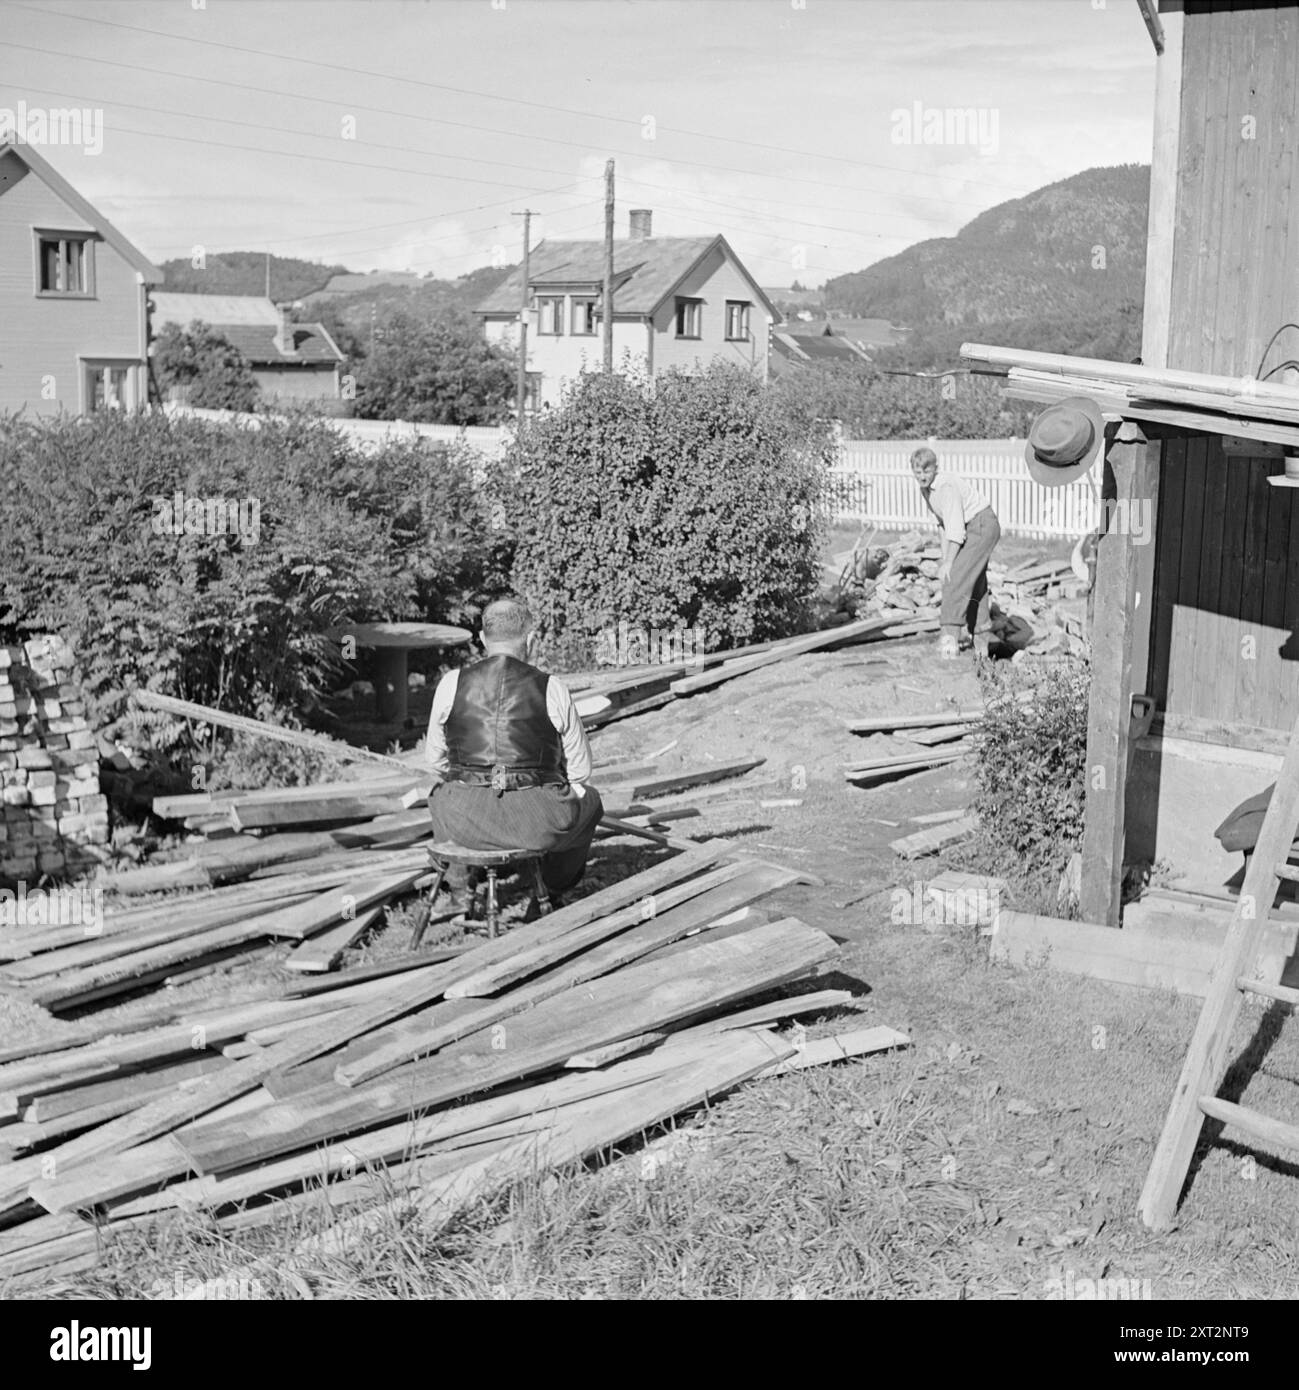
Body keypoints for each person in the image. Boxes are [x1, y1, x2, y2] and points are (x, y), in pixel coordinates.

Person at [424, 597, 603, 909]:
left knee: (440, 793)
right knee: (591, 800)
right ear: (530, 639)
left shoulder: (451, 683)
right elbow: (581, 772)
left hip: (464, 822)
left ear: (481, 639)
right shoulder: (552, 687)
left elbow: (435, 761)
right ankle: (552, 888)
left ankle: (459, 891)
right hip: (538, 822)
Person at [909, 446, 1002, 658]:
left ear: (935, 469)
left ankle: (949, 638)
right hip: (970, 527)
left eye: (927, 470)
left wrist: (949, 564)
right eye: (918, 471)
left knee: (955, 578)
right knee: (974, 582)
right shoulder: (926, 490)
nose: (922, 476)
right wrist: (945, 558)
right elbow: (943, 525)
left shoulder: (945, 487)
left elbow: (956, 530)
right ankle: (981, 638)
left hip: (981, 525)